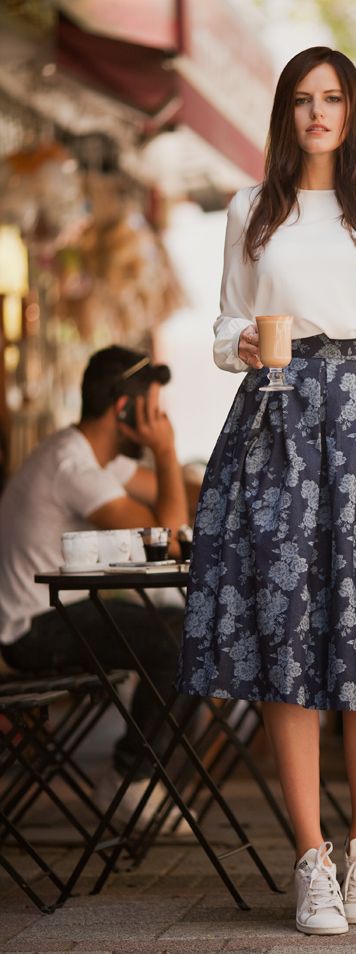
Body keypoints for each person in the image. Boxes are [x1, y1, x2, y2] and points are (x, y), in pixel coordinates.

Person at [177, 46, 356, 935]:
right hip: (276, 425)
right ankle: (311, 859)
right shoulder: (250, 208)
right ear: (284, 114)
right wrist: (246, 348)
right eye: (302, 99)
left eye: (332, 98)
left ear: (352, 108)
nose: (317, 113)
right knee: (286, 633)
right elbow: (225, 323)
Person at [0, 345, 189, 820]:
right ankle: (131, 779)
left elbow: (178, 495)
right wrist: (166, 450)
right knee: (184, 641)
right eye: (153, 407)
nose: (161, 417)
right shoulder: (74, 466)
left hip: (61, 613)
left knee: (187, 628)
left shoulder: (95, 457)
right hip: (32, 629)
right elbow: (164, 540)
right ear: (125, 409)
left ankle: (141, 778)